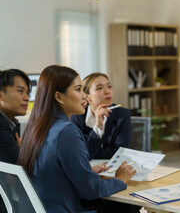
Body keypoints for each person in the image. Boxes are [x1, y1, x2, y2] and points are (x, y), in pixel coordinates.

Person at [17, 65, 136, 213]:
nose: (84, 96)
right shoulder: (67, 131)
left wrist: (86, 170)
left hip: (44, 208)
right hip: (66, 209)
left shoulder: (34, 127)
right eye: (78, 89)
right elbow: (92, 190)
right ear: (59, 97)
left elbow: (49, 171)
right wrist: (120, 179)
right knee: (128, 207)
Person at [70, 72, 132, 160]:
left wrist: (91, 153)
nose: (107, 91)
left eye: (109, 86)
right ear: (87, 96)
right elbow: (80, 153)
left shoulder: (122, 114)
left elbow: (121, 152)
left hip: (115, 168)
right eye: (99, 88)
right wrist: (98, 126)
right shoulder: (77, 117)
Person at [0, 69, 31, 213]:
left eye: (27, 93)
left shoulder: (10, 123)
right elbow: (22, 164)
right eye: (20, 91)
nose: (26, 98)